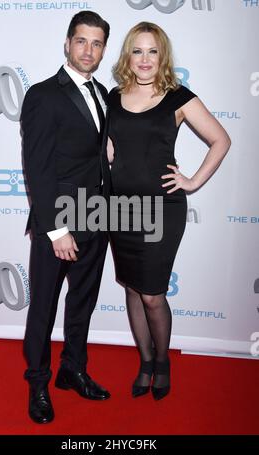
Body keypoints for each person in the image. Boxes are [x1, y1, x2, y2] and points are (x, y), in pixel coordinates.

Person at [105, 22, 231, 400]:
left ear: (163, 56)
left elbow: (220, 139)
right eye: (137, 51)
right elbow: (108, 145)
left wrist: (192, 180)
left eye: (152, 51)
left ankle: (163, 362)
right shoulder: (112, 96)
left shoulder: (177, 97)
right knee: (131, 286)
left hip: (162, 208)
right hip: (119, 207)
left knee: (153, 294)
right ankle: (144, 362)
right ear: (128, 55)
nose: (144, 59)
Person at [20, 11, 110, 424]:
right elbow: (38, 169)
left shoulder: (104, 93)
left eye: (96, 43)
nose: (88, 50)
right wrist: (56, 229)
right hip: (59, 223)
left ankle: (72, 369)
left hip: (97, 216)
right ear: (67, 43)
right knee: (43, 306)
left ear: (103, 49)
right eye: (81, 41)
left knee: (82, 302)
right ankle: (38, 382)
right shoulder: (43, 94)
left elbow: (96, 155)